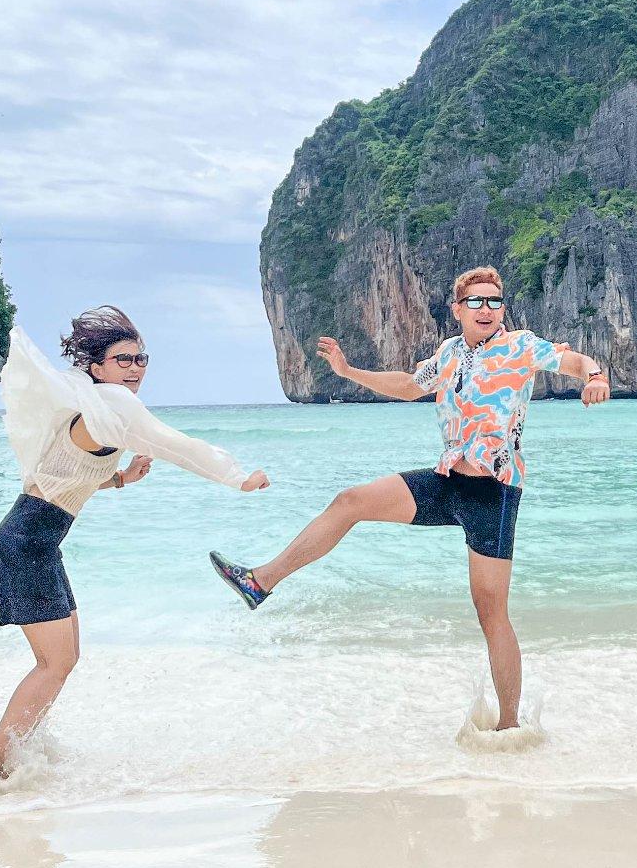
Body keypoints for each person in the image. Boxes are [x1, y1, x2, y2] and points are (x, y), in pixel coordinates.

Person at [208, 266, 608, 733]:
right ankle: (260, 582)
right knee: (350, 501)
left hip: (493, 494)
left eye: (494, 301)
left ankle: (509, 728)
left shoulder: (521, 346)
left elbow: (573, 361)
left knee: (491, 613)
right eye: (475, 301)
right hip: (446, 482)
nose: (486, 309)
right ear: (457, 310)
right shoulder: (449, 353)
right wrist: (347, 372)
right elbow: (407, 385)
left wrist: (594, 376)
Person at [0, 307, 269, 779]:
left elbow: (63, 477)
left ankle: (14, 758)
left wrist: (121, 479)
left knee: (63, 660)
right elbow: (174, 443)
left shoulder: (94, 408)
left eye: (141, 358)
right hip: (26, 544)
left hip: (33, 542)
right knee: (54, 664)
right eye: (123, 359)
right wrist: (236, 477)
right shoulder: (111, 405)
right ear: (97, 366)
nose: (135, 368)